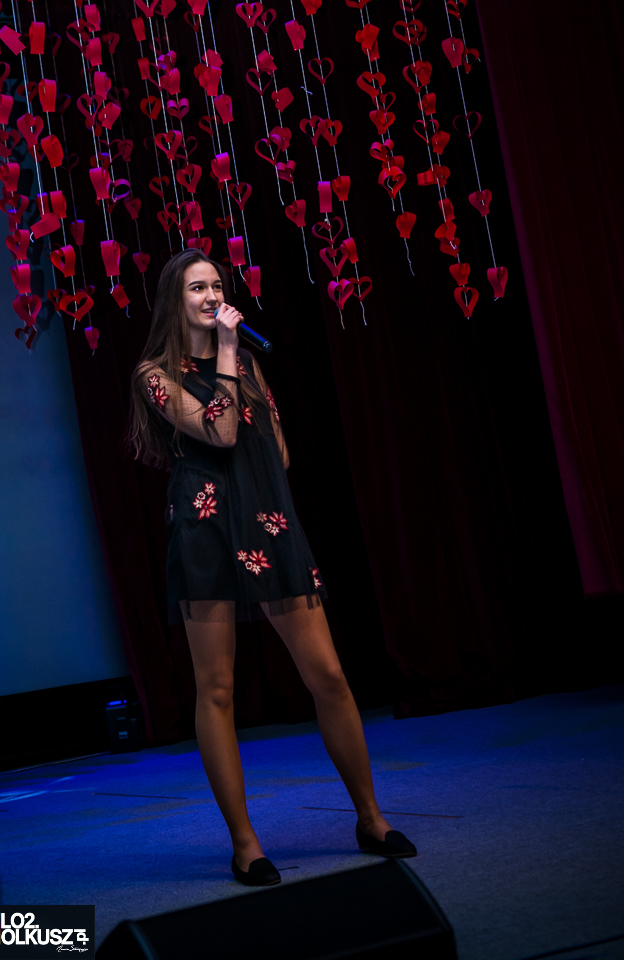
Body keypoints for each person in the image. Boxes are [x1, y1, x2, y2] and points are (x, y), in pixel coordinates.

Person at [129, 249, 416, 886]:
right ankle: (246, 845)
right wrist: (229, 351)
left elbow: (276, 448)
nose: (212, 296)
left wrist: (237, 361)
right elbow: (221, 431)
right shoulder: (155, 374)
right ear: (175, 300)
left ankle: (371, 819)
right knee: (218, 688)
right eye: (197, 287)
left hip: (267, 521)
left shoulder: (249, 364)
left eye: (217, 285)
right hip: (206, 528)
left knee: (329, 675)